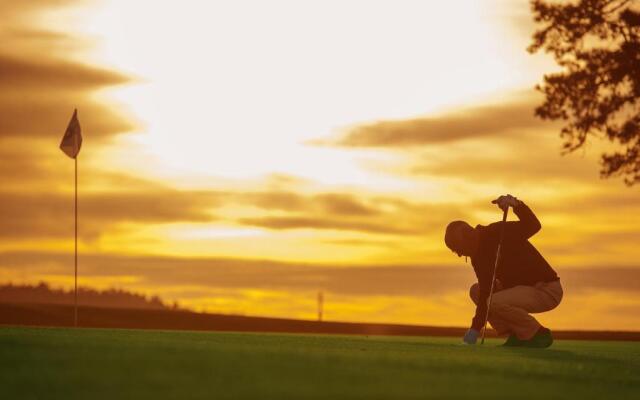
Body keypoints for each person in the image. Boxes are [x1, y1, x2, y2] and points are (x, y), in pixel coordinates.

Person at [444, 194, 563, 347]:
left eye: (459, 250)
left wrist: (517, 205)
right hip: (520, 290)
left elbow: (533, 225)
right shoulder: (477, 257)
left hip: (545, 289)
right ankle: (515, 335)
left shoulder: (498, 231)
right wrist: (475, 328)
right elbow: (486, 292)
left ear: (470, 237)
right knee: (477, 291)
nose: (461, 255)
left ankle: (538, 334)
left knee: (493, 302)